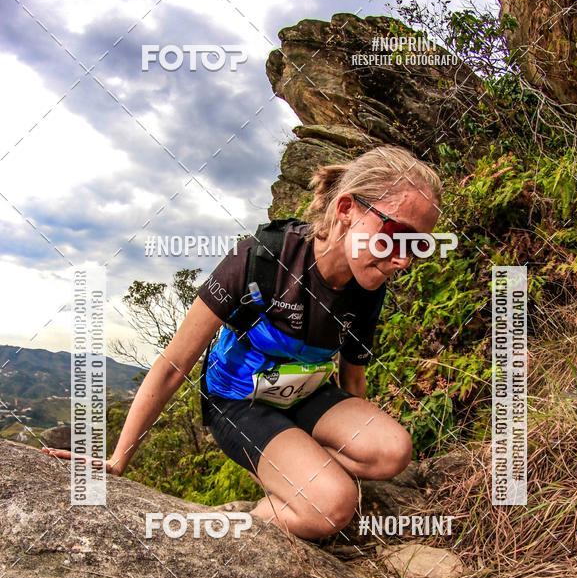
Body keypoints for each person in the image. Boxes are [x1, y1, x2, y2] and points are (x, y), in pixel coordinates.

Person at [45, 145, 442, 540]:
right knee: (333, 506)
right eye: (397, 235)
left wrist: (357, 443)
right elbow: (174, 363)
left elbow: (353, 380)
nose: (404, 259)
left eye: (418, 245)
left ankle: (300, 467)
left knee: (393, 450)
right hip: (240, 401)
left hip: (306, 396)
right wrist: (118, 460)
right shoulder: (262, 258)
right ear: (345, 209)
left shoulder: (368, 284)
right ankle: (257, 516)